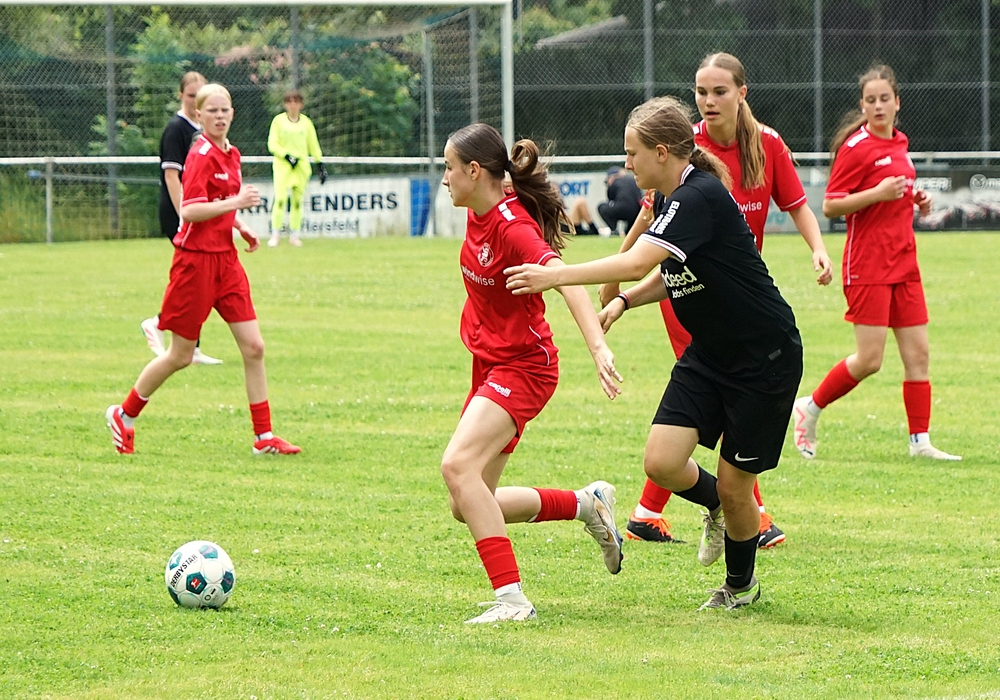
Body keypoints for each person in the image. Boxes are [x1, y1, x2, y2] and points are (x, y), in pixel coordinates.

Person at [506, 96, 803, 610]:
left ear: (661, 152)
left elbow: (639, 260)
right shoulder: (672, 200)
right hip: (711, 354)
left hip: (763, 358)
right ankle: (716, 510)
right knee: (662, 462)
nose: (626, 164)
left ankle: (739, 587)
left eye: (632, 153)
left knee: (737, 486)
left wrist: (555, 274)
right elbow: (672, 274)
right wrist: (624, 301)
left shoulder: (698, 195)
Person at [599, 52, 834, 549]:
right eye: (701, 92)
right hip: (690, 292)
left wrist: (818, 248)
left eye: (719, 91)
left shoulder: (765, 144)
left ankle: (679, 512)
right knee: (703, 410)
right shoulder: (680, 148)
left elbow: (797, 205)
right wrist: (619, 285)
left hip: (737, 301)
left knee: (719, 419)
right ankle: (733, 510)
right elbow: (650, 228)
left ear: (742, 93)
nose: (708, 101)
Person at [439, 123, 625, 624]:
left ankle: (512, 601)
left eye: (449, 168)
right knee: (466, 500)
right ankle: (587, 504)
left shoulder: (512, 227)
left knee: (457, 467)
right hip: (491, 363)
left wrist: (598, 346)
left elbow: (567, 282)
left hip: (524, 366)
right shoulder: (479, 206)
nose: (444, 178)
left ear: (473, 171)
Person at [106, 84, 300, 457]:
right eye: (212, 110)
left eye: (225, 109)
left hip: (226, 260)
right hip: (195, 262)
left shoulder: (232, 153)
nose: (220, 116)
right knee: (180, 355)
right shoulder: (200, 155)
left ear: (233, 113)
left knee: (254, 347)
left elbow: (219, 203)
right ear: (199, 115)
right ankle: (123, 414)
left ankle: (264, 437)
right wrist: (237, 203)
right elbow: (191, 210)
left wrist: (240, 225)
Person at [791, 64, 960, 462]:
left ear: (897, 102)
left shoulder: (900, 142)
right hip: (867, 264)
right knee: (870, 360)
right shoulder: (856, 148)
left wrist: (916, 199)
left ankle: (920, 442)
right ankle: (809, 408)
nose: (879, 106)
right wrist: (878, 193)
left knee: (918, 356)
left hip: (904, 262)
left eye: (885, 99)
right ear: (862, 105)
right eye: (871, 100)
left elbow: (895, 189)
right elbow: (831, 205)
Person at [141, 71, 223, 366]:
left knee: (198, 281)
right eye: (191, 95)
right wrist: (183, 215)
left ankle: (188, 344)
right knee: (194, 280)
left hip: (195, 213)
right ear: (181, 96)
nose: (195, 100)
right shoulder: (176, 129)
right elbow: (171, 176)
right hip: (179, 213)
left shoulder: (205, 129)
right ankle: (159, 322)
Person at [267, 89, 326, 247]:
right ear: (285, 104)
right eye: (289, 102)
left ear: (301, 104)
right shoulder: (278, 121)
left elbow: (313, 144)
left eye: (296, 102)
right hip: (283, 165)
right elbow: (272, 144)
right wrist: (286, 155)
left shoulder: (306, 123)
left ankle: (294, 235)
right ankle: (275, 234)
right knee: (280, 200)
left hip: (301, 166)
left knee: (297, 201)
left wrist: (320, 164)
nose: (293, 105)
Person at [566, 167, 642, 237]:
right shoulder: (633, 180)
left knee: (602, 207)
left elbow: (611, 199)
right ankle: (627, 232)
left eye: (607, 181)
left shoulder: (615, 182)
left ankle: (614, 230)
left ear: (611, 177)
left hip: (622, 207)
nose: (607, 184)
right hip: (637, 211)